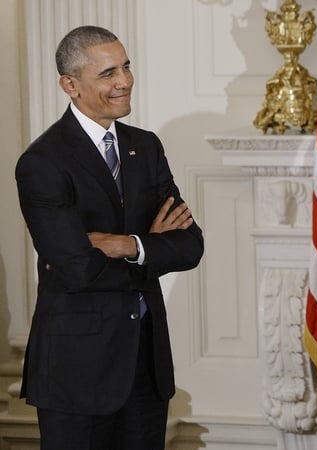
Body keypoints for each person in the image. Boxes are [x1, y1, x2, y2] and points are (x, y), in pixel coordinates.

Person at [14, 25, 204, 449]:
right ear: (71, 85)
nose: (124, 82)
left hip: (145, 369)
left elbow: (191, 245)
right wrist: (151, 249)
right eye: (107, 74)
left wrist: (126, 245)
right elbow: (76, 267)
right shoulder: (43, 161)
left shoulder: (146, 147)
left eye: (126, 67)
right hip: (76, 373)